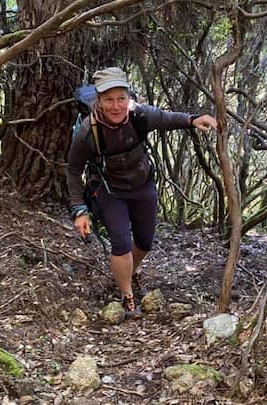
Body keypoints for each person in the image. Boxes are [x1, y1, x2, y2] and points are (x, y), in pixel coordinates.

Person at [66, 67, 217, 319]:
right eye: (109, 100)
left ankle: (130, 271)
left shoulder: (140, 115)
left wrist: (193, 120)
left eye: (121, 98)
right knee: (121, 243)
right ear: (99, 101)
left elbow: (167, 119)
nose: (116, 106)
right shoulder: (87, 132)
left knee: (145, 241)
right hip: (109, 190)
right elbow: (73, 171)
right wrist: (79, 210)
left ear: (129, 97)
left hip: (142, 184)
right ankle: (127, 296)